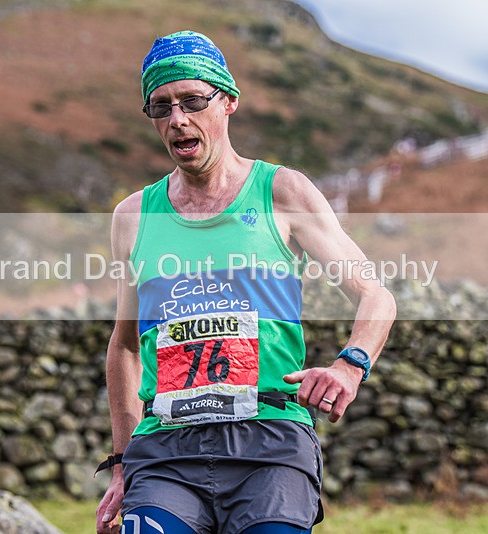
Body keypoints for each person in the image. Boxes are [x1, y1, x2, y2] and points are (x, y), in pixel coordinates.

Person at [95, 31, 396, 534]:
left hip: (271, 443)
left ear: (228, 101)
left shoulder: (281, 191)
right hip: (166, 450)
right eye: (161, 107)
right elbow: (125, 346)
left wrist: (350, 365)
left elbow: (375, 294)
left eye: (192, 100)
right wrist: (123, 463)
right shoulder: (133, 216)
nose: (177, 120)